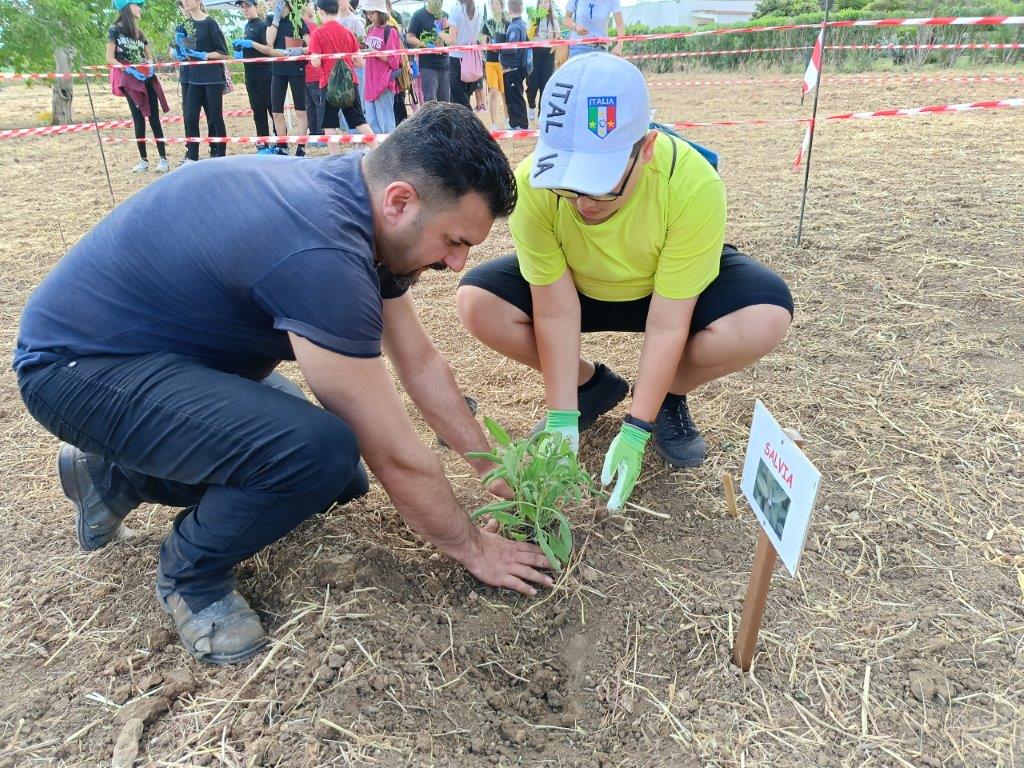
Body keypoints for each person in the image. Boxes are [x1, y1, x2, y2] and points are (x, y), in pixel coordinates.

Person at [14, 103, 551, 667]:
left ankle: (111, 476)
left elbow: (420, 363)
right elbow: (392, 451)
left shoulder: (359, 203)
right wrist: (472, 546)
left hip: (154, 358)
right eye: (454, 240)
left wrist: (498, 472)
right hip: (77, 367)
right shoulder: (323, 251)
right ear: (400, 201)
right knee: (315, 454)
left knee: (338, 475)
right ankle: (190, 575)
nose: (458, 262)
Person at [456, 54, 794, 511]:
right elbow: (555, 309)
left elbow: (670, 321)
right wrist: (560, 418)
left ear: (647, 147)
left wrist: (636, 429)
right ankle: (589, 387)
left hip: (664, 290)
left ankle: (668, 393)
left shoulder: (693, 184)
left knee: (764, 316)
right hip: (577, 286)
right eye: (568, 185)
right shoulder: (533, 186)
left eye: (601, 184)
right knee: (478, 303)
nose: (583, 203)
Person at [107, 0, 169, 173]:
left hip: (146, 78)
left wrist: (149, 68)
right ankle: (143, 160)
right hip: (130, 80)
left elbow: (148, 56)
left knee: (154, 118)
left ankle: (163, 159)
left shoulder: (140, 33)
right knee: (138, 120)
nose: (140, 8)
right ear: (127, 7)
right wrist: (128, 69)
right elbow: (110, 58)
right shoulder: (115, 30)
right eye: (137, 4)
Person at [308, 0, 373, 151]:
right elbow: (359, 62)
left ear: (320, 11)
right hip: (350, 83)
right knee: (359, 120)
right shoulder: (347, 32)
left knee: (329, 124)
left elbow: (316, 62)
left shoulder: (318, 33)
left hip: (329, 84)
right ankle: (377, 150)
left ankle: (334, 158)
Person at [174, 0, 229, 164]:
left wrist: (204, 55)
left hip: (212, 78)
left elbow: (224, 53)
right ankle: (192, 156)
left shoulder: (210, 22)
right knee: (190, 117)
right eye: (183, 1)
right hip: (193, 78)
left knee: (215, 117)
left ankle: (220, 154)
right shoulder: (185, 25)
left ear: (198, 1)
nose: (185, 2)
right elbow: (185, 54)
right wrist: (180, 49)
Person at [267, 0, 310, 155]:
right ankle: (282, 145)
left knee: (300, 110)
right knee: (276, 111)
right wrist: (276, 19)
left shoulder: (296, 18)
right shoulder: (271, 20)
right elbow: (269, 42)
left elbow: (310, 44)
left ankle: (301, 146)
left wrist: (299, 50)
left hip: (296, 68)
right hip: (278, 68)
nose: (269, 3)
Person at [233, 0, 275, 152]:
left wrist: (251, 44)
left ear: (256, 7)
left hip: (265, 73)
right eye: (242, 7)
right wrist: (239, 50)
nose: (245, 9)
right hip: (250, 74)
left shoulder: (263, 25)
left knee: (272, 109)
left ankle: (279, 141)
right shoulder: (247, 25)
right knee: (258, 110)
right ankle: (263, 142)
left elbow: (269, 49)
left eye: (248, 6)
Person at [360, 0, 401, 134]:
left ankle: (390, 152)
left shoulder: (390, 31)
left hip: (383, 81)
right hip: (370, 81)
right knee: (371, 120)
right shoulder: (371, 29)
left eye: (371, 13)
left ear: (380, 12)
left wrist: (378, 54)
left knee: (386, 121)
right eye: (367, 13)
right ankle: (379, 149)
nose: (369, 16)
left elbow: (395, 62)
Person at [407, 0, 450, 103]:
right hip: (428, 65)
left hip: (445, 63)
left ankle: (443, 120)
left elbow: (450, 38)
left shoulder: (444, 15)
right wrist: (424, 44)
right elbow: (409, 37)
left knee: (445, 103)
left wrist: (444, 39)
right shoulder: (418, 15)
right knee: (430, 101)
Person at [526, 0, 559, 123]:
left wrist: (554, 40)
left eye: (546, 2)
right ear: (538, 5)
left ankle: (541, 115)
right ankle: (531, 105)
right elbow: (528, 36)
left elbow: (558, 39)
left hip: (548, 56)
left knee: (545, 87)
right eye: (542, 2)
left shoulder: (553, 21)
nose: (544, 4)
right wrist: (535, 21)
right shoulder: (533, 19)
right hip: (535, 55)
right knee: (532, 86)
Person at [447, 0, 483, 110]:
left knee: (458, 103)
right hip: (473, 58)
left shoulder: (456, 10)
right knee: (465, 98)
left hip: (457, 58)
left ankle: (469, 122)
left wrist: (440, 32)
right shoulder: (478, 10)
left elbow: (451, 40)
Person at [500, 0, 528, 130]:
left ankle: (521, 124)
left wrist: (499, 47)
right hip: (517, 66)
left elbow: (512, 48)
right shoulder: (521, 25)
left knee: (515, 96)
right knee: (513, 96)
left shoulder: (514, 27)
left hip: (513, 67)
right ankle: (515, 123)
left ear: (509, 10)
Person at [482, 0, 509, 130]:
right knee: (493, 92)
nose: (494, 6)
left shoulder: (508, 23)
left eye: (497, 3)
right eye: (492, 3)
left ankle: (508, 120)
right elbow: (482, 41)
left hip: (504, 63)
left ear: (501, 5)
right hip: (490, 62)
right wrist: (488, 45)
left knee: (505, 93)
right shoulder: (487, 24)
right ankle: (494, 124)